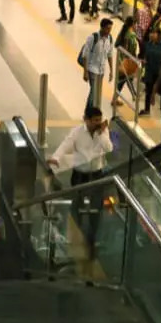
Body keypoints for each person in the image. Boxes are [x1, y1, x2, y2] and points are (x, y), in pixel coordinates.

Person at [47, 107, 113, 259]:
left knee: (96, 206)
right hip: (80, 175)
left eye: (99, 119)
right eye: (95, 120)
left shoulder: (103, 131)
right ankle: (77, 234)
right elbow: (66, 144)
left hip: (97, 174)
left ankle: (92, 239)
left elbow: (109, 147)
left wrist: (102, 134)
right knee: (77, 204)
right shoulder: (77, 132)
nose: (98, 123)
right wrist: (56, 158)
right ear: (86, 120)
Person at [78, 18, 114, 113]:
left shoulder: (109, 39)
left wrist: (111, 71)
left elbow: (109, 55)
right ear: (102, 27)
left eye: (110, 29)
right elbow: (85, 55)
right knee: (94, 92)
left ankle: (90, 111)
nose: (109, 31)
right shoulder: (93, 38)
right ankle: (89, 112)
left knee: (96, 91)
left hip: (101, 70)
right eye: (107, 28)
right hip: (92, 69)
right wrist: (85, 72)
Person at [140, 27, 161, 117]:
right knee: (148, 90)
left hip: (159, 72)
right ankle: (147, 109)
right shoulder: (147, 44)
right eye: (151, 33)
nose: (152, 34)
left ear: (159, 35)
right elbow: (145, 56)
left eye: (154, 33)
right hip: (149, 71)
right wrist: (143, 61)